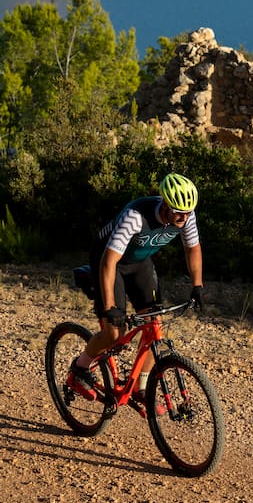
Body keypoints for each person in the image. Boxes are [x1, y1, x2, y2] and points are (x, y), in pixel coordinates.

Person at [68, 173, 205, 411]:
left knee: (155, 326)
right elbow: (109, 262)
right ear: (164, 204)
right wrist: (110, 308)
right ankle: (79, 369)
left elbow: (192, 248)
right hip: (109, 261)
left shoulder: (187, 215)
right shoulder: (135, 217)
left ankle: (141, 388)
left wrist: (197, 286)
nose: (183, 218)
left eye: (187, 212)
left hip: (139, 262)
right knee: (114, 332)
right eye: (177, 212)